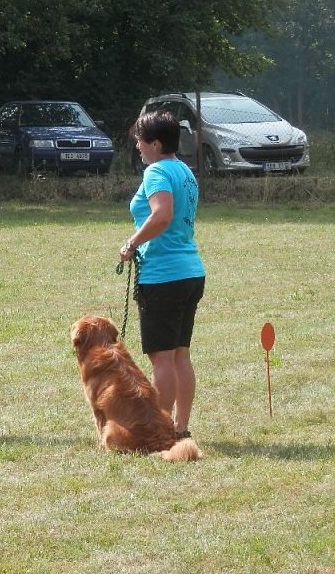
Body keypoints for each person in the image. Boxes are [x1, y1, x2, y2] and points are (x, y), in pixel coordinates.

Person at [119, 110, 206, 439]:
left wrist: (131, 243)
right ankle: (180, 427)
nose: (138, 146)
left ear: (155, 144)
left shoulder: (156, 172)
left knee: (162, 359)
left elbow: (162, 215)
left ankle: (160, 430)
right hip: (190, 271)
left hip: (163, 275)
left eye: (141, 141)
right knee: (181, 354)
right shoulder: (184, 170)